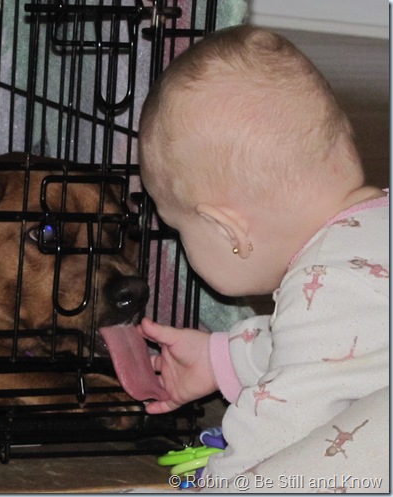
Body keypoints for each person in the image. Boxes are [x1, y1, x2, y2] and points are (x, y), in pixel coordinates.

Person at [137, 25, 388, 490]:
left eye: (178, 230)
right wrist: (220, 359)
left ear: (229, 232)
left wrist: (220, 479)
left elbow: (279, 426)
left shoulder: (328, 284)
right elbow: (333, 350)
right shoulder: (366, 242)